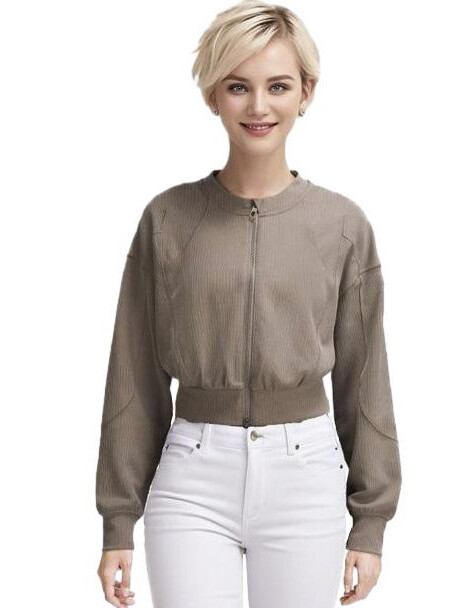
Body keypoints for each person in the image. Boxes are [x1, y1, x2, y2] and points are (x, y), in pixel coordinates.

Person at [95, 2, 402, 607]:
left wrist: (370, 523)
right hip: (191, 475)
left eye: (278, 86)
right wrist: (118, 519)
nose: (259, 106)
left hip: (305, 475)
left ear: (306, 92)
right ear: (213, 94)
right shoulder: (167, 219)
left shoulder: (342, 226)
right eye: (238, 86)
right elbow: (133, 374)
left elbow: (366, 379)